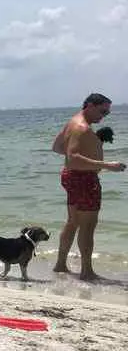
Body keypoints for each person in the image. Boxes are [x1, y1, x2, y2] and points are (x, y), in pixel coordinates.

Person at [51, 93, 126, 281]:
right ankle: (87, 272)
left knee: (73, 222)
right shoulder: (82, 128)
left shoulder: (73, 122)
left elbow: (57, 147)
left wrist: (87, 151)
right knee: (88, 226)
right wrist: (107, 165)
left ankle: (60, 265)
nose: (104, 116)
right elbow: (73, 157)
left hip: (72, 177)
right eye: (102, 111)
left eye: (107, 113)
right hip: (83, 179)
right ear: (91, 106)